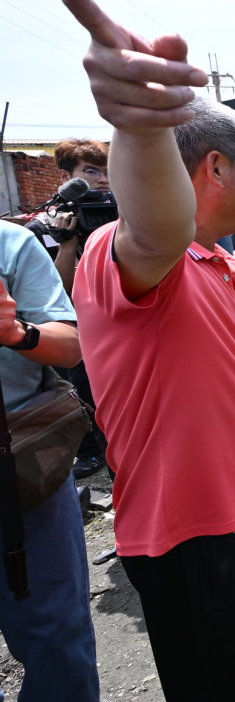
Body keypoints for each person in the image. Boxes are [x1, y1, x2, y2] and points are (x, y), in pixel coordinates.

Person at [56, 0, 235, 701]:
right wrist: (142, 129)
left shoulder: (219, 258)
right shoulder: (127, 254)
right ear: (216, 167)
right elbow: (156, 222)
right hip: (193, 537)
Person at [0, 223, 99, 701]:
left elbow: (69, 343)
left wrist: (16, 332)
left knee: (56, 635)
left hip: (23, 465)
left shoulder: (9, 244)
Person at [23, 138, 113, 479]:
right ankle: (91, 452)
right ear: (66, 179)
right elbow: (55, 293)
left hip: (116, 323)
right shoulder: (42, 229)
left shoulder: (116, 212)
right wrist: (68, 245)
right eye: (90, 171)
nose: (102, 179)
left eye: (106, 171)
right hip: (75, 332)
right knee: (86, 396)